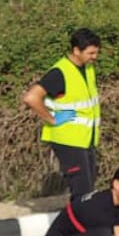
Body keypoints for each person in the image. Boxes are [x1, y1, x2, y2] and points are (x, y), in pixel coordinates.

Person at [23, 28, 102, 197]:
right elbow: (31, 97)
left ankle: (79, 222)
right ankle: (79, 223)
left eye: (96, 53)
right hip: (68, 140)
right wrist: (51, 119)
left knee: (87, 192)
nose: (94, 57)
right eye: (91, 53)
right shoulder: (59, 72)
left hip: (84, 140)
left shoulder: (88, 69)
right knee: (83, 193)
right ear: (76, 51)